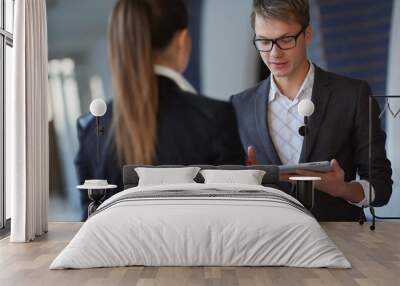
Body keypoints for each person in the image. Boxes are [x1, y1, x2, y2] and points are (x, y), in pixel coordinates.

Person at [75, 0, 244, 221]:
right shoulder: (216, 118)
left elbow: (88, 224)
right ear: (182, 41)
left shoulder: (92, 130)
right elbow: (237, 217)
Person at [231, 0, 392, 221]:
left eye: (286, 40)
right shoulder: (239, 105)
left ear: (307, 34)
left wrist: (342, 189)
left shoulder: (353, 95)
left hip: (337, 243)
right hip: (264, 242)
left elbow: (381, 187)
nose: (274, 53)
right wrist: (242, 178)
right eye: (264, 41)